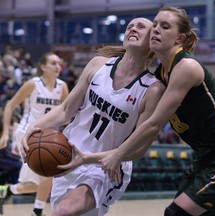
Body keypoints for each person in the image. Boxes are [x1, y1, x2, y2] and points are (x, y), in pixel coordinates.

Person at [57, 6, 215, 216]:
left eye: (165, 26)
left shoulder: (186, 67)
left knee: (176, 213)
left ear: (179, 39)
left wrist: (116, 156)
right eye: (154, 24)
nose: (156, 30)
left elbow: (153, 124)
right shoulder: (162, 74)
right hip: (206, 157)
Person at [21, 17, 165, 216]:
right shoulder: (98, 65)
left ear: (152, 41)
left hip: (105, 166)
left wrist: (109, 157)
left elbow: (139, 147)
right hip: (67, 155)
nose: (133, 28)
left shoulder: (152, 89)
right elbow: (65, 110)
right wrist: (32, 129)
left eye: (141, 27)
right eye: (130, 25)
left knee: (63, 212)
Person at [0, 52, 69, 216]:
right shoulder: (33, 84)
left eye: (59, 64)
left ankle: (6, 191)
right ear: (43, 67)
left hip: (48, 135)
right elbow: (10, 106)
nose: (57, 67)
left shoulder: (62, 87)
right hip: (27, 133)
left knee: (38, 183)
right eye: (53, 63)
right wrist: (4, 133)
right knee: (49, 173)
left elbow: (67, 113)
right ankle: (37, 212)